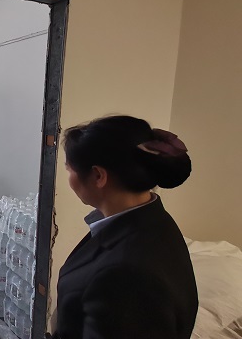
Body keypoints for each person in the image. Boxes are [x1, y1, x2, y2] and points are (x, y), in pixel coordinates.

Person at [51, 115, 198, 339]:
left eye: (69, 169)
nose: (69, 177)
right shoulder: (153, 219)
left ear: (98, 175)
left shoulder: (125, 274)